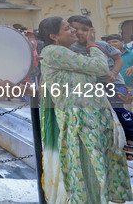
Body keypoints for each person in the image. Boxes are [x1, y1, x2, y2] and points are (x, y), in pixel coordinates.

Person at [38, 17, 132, 203]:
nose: (73, 31)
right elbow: (99, 66)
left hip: (93, 119)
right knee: (88, 169)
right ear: (54, 36)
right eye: (68, 29)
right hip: (81, 121)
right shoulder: (53, 52)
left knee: (97, 169)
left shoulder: (68, 54)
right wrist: (92, 44)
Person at [106, 34, 133, 115]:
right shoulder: (106, 57)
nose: (112, 44)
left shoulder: (131, 54)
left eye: (114, 42)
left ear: (122, 42)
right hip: (116, 88)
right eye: (109, 43)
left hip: (131, 87)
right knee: (124, 112)